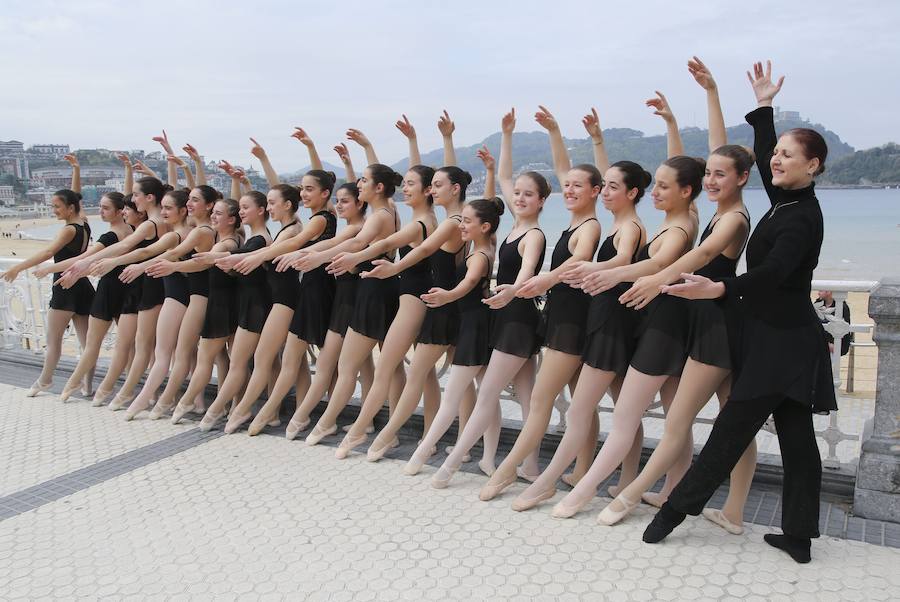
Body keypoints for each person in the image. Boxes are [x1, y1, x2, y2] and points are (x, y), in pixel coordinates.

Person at [643, 61, 835, 566]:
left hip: (784, 344)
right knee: (797, 441)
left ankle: (671, 515)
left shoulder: (803, 219)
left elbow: (771, 276)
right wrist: (765, 107)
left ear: (812, 165)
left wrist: (719, 289)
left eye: (789, 157)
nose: (777, 161)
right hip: (779, 338)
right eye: (777, 155)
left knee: (730, 433)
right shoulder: (786, 200)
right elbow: (768, 149)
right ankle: (798, 536)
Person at [598, 57, 756, 531]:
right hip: (711, 323)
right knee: (733, 424)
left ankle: (629, 497)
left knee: (679, 423)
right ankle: (732, 512)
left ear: (742, 179)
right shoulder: (715, 202)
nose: (710, 180)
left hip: (720, 328)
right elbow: (704, 157)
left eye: (719, 176)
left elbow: (704, 255)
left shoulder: (733, 218)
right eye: (707, 176)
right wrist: (706, 96)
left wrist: (653, 277)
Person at [479, 105, 602, 499]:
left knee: (542, 403)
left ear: (596, 191)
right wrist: (551, 132)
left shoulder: (591, 225)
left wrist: (535, 282)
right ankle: (580, 471)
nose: (569, 189)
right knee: (581, 406)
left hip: (571, 322)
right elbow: (515, 176)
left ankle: (511, 472)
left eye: (576, 187)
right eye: (566, 186)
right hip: (561, 316)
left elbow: (579, 261)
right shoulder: (573, 219)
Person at [431, 108, 549, 487]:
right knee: (528, 398)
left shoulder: (533, 235)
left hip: (517, 319)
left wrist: (515, 289)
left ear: (543, 201)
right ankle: (530, 466)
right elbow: (501, 178)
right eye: (518, 194)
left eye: (530, 195)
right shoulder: (513, 227)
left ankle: (449, 467)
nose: (521, 198)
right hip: (508, 317)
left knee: (487, 396)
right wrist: (507, 136)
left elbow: (529, 269)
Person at [404, 197, 501, 474]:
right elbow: (490, 211)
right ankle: (488, 458)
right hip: (478, 324)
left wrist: (448, 296)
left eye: (467, 221)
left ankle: (420, 456)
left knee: (452, 398)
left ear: (484, 227)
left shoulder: (480, 255)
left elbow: (469, 283)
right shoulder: (483, 245)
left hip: (474, 327)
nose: (462, 225)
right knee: (487, 398)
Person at [2, 188, 93, 397]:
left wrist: (17, 268)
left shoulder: (69, 229)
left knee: (53, 341)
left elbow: (48, 252)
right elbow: (75, 194)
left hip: (64, 286)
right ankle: (86, 386)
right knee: (88, 343)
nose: (53, 210)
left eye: (56, 206)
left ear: (70, 208)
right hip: (82, 285)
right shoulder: (84, 223)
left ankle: (45, 381)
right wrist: (76, 171)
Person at [815, 290, 852, 355]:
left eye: (821, 291)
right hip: (819, 342)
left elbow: (845, 330)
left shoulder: (842, 307)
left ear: (829, 292)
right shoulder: (818, 303)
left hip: (834, 343)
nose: (818, 293)